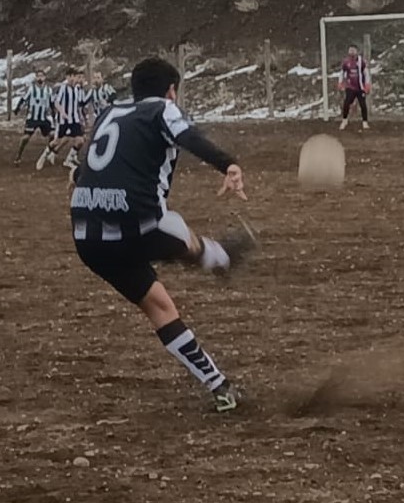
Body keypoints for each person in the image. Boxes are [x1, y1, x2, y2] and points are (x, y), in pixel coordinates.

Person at [69, 57, 250, 413]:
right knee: (170, 227)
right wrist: (227, 163)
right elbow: (189, 137)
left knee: (160, 306)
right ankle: (219, 258)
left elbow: (88, 166)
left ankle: (219, 387)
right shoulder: (162, 110)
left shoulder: (110, 112)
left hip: (86, 236)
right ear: (171, 91)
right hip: (135, 225)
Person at [39, 68, 85, 171]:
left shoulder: (78, 89)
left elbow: (79, 104)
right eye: (72, 76)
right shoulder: (63, 88)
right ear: (67, 77)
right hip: (63, 120)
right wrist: (62, 112)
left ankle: (68, 160)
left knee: (80, 140)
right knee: (56, 141)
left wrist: (81, 118)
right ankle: (44, 155)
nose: (74, 79)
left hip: (74, 120)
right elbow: (56, 102)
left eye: (75, 77)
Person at [13, 69, 54, 167]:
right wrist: (17, 109)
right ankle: (18, 156)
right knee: (25, 138)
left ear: (45, 77)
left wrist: (54, 115)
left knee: (52, 135)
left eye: (42, 76)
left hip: (44, 118)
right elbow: (23, 99)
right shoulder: (31, 89)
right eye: (38, 76)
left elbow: (52, 103)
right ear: (36, 78)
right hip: (32, 118)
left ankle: (48, 154)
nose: (40, 78)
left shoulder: (49, 90)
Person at [338, 45, 371, 131]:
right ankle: (344, 120)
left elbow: (366, 73)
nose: (352, 52)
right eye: (350, 50)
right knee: (346, 103)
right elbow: (342, 72)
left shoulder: (361, 61)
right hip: (350, 87)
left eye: (353, 50)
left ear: (357, 51)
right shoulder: (346, 62)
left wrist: (367, 84)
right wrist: (340, 83)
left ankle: (365, 122)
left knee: (363, 104)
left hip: (360, 87)